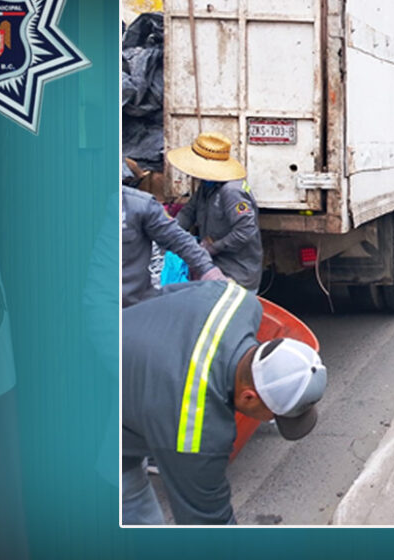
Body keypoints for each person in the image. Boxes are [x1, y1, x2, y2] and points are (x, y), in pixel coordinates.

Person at [122, 281, 327, 524]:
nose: (270, 420)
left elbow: (160, 297)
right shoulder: (195, 430)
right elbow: (208, 524)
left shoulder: (236, 299)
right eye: (273, 415)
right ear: (248, 396)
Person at [169, 132, 264, 293]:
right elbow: (188, 213)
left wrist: (212, 248)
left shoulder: (231, 191)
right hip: (216, 266)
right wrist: (167, 234)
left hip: (236, 271)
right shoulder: (206, 187)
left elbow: (246, 231)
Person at [122, 185, 225, 307]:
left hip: (131, 305)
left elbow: (178, 239)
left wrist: (210, 271)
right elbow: (186, 214)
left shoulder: (138, 205)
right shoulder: (203, 191)